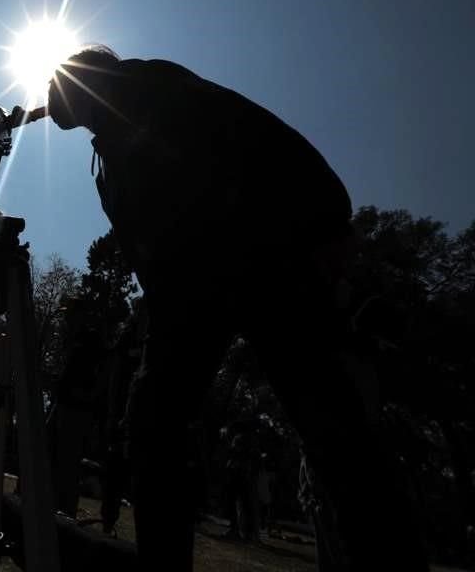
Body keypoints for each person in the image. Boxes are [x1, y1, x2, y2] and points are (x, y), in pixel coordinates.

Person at [47, 46, 428, 570]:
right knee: (158, 426)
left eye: (55, 81)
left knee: (331, 429)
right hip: (192, 292)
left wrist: (327, 220)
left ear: (82, 77)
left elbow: (261, 136)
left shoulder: (150, 88)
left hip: (261, 264)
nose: (47, 94)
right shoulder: (113, 135)